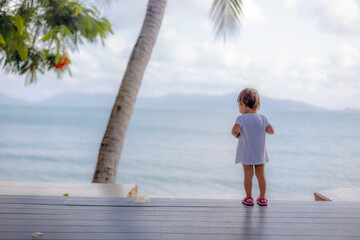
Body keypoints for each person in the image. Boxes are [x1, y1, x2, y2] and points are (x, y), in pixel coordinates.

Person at [231, 88, 274, 206]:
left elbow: (234, 131)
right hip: (260, 153)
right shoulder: (263, 118)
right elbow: (271, 131)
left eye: (238, 105)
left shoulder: (241, 119)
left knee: (248, 175)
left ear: (243, 105)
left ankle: (249, 198)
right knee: (261, 175)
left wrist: (238, 135)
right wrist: (261, 130)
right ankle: (262, 198)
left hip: (247, 152)